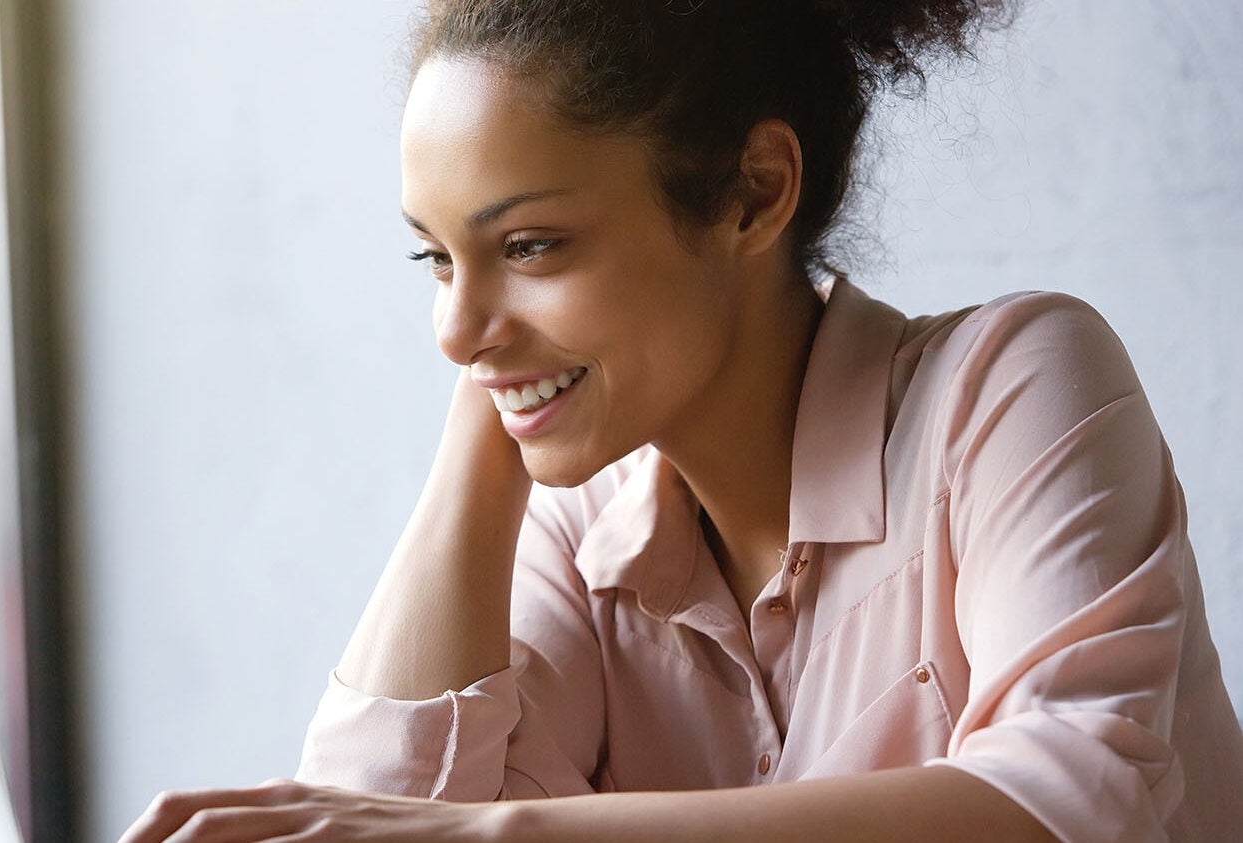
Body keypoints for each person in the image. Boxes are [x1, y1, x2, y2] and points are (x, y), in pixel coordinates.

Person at [120, 0, 1243, 840]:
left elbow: (1075, 799)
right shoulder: (578, 533)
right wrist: (498, 404)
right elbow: (374, 818)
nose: (452, 330)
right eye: (434, 256)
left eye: (529, 244)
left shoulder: (1010, 384)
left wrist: (507, 833)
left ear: (754, 190)